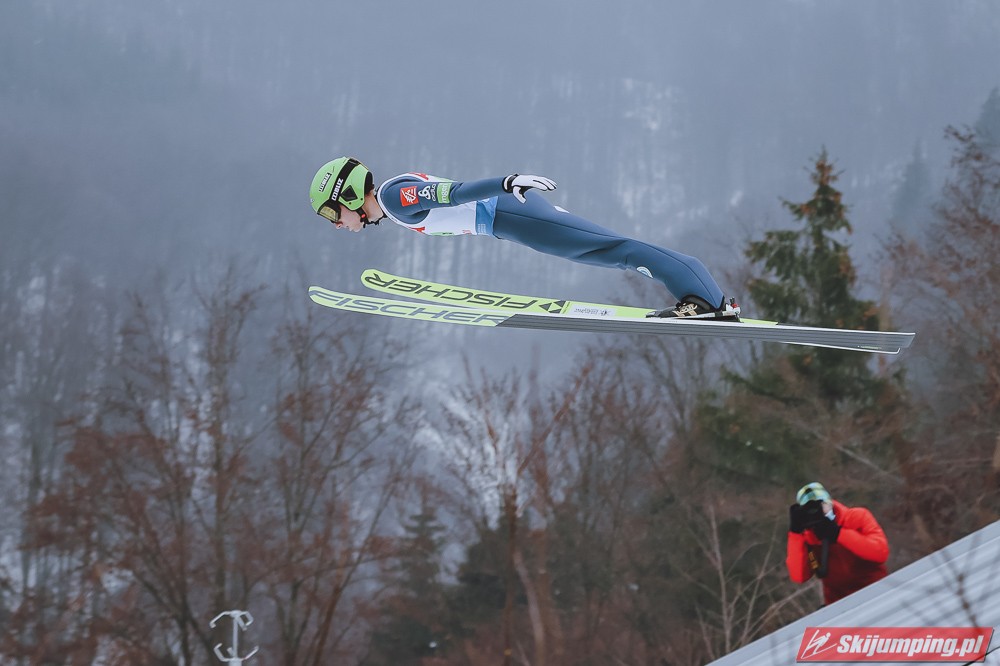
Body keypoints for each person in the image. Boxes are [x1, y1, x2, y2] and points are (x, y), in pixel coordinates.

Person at [307, 157, 740, 319]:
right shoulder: (392, 199)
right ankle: (706, 298)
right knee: (612, 251)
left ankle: (704, 299)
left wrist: (506, 182)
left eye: (331, 213)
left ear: (348, 195)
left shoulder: (392, 197)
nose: (336, 224)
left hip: (510, 214)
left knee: (616, 250)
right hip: (510, 218)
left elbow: (454, 193)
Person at [786, 482, 889, 605]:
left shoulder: (857, 517)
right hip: (840, 605)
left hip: (878, 592)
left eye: (820, 505)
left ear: (830, 503)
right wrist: (795, 533)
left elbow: (880, 552)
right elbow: (798, 576)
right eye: (810, 510)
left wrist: (838, 534)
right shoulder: (808, 538)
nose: (817, 512)